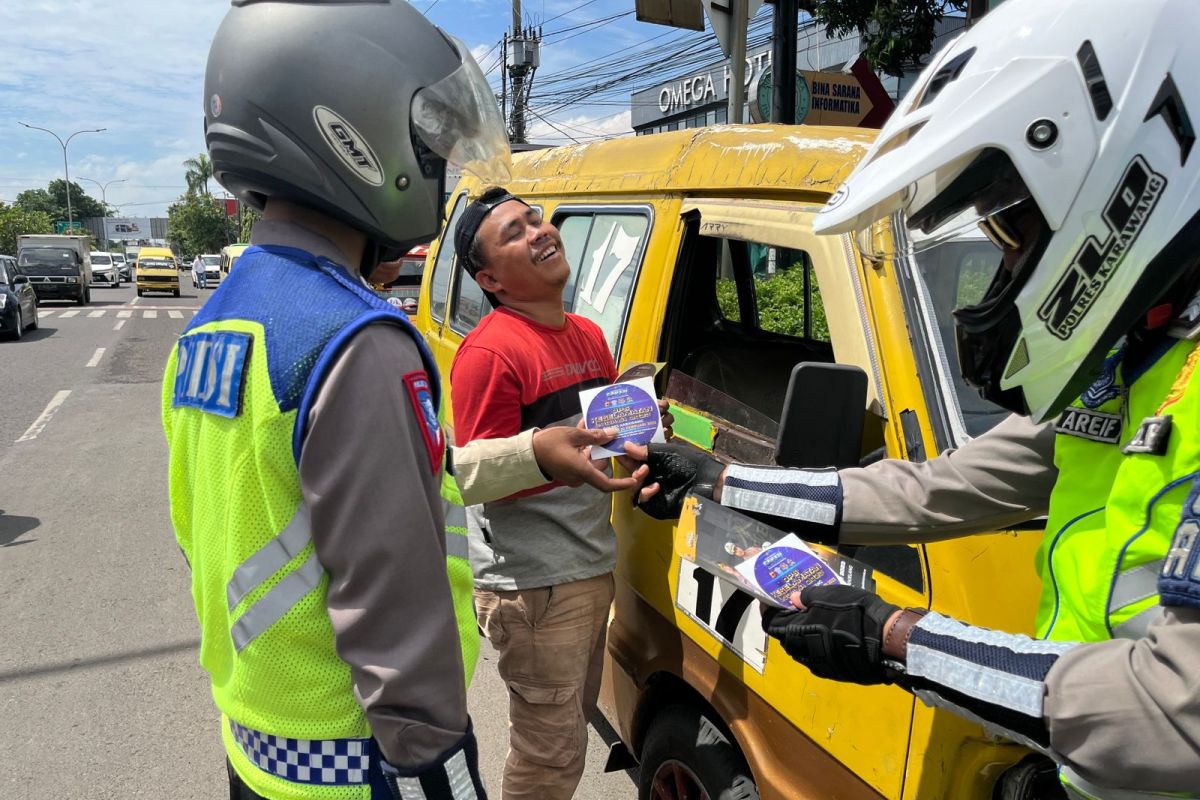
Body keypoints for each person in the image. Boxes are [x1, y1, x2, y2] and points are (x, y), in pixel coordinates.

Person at [627, 1, 1200, 796]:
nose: (1007, 273)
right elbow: (941, 487)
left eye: (1014, 235)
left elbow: (1179, 713)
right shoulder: (1133, 363)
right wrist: (719, 481)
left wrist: (896, 640)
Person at [163, 5, 644, 800]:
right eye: (424, 146)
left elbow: (201, 530)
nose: (431, 168)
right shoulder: (354, 340)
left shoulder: (214, 325)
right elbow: (393, 598)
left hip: (257, 736)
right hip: (361, 759)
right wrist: (436, 763)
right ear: (349, 133)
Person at [448, 187, 670, 800]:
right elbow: (468, 474)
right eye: (515, 232)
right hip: (534, 586)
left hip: (589, 564)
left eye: (535, 219)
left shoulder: (589, 336)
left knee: (567, 733)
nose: (539, 232)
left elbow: (592, 443)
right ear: (490, 277)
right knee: (550, 756)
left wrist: (640, 430)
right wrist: (546, 457)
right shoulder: (490, 352)